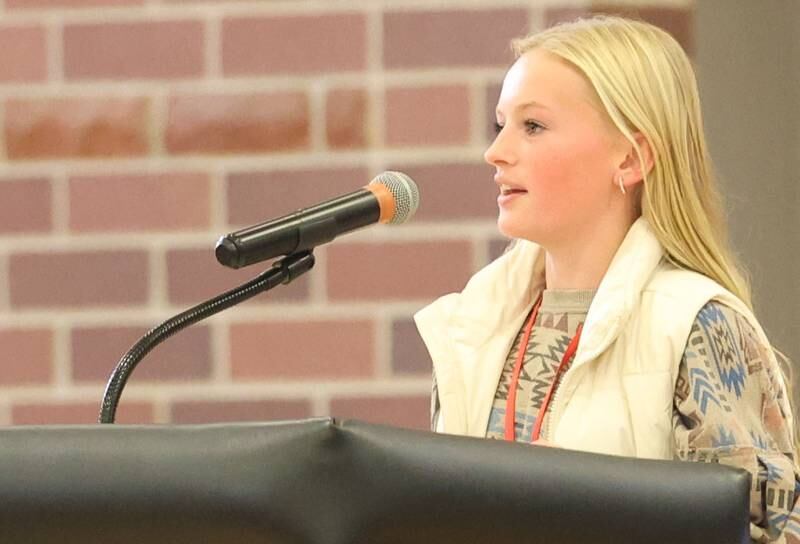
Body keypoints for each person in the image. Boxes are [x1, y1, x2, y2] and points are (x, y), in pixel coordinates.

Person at [414, 15, 799, 543]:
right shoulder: (471, 325)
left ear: (632, 157)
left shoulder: (698, 325)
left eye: (533, 126)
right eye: (501, 124)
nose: (496, 151)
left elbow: (768, 535)